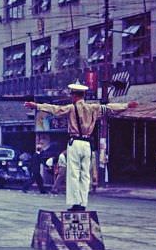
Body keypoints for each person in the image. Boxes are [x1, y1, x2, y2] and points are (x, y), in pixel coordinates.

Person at [24, 82, 137, 212]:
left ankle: (74, 203)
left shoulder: (71, 108)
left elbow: (55, 109)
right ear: (83, 95)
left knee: (73, 173)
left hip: (75, 142)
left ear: (74, 96)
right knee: (85, 175)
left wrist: (37, 105)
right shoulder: (94, 108)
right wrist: (127, 105)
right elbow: (110, 107)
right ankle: (83, 203)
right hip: (87, 144)